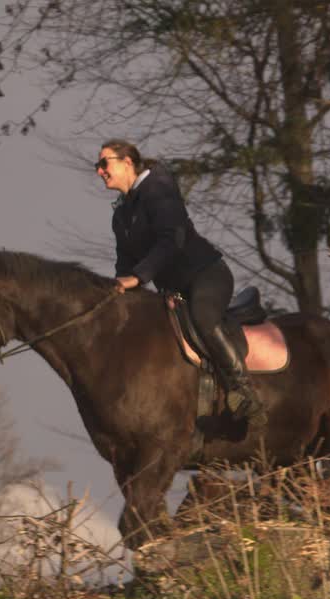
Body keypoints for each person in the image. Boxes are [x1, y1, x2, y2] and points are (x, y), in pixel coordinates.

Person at [97, 139, 266, 428]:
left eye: (104, 164)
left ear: (127, 162)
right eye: (97, 166)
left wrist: (139, 277)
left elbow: (171, 241)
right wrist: (115, 293)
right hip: (175, 291)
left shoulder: (158, 189)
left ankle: (245, 393)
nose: (99, 171)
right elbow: (124, 265)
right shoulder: (121, 215)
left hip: (206, 276)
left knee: (203, 317)